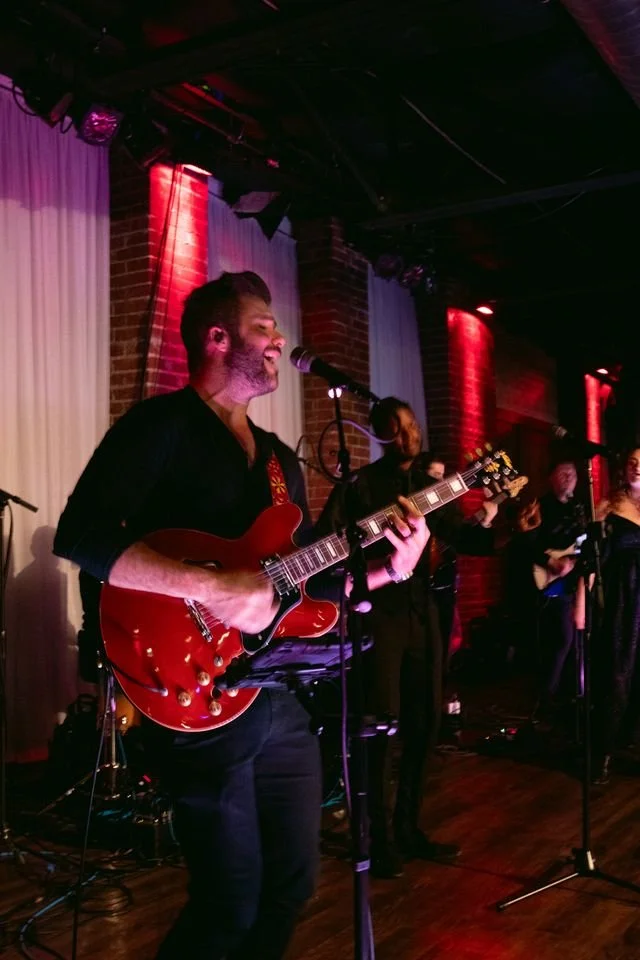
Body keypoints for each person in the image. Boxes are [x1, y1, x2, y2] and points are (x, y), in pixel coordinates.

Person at [53, 272, 427, 959]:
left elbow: (299, 592)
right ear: (218, 337)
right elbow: (80, 537)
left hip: (279, 697)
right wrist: (219, 590)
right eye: (265, 327)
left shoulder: (282, 463)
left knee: (290, 885)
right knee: (227, 901)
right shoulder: (160, 426)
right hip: (195, 693)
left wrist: (385, 567)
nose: (280, 339)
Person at [316, 397, 497, 879]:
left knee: (424, 726)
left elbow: (465, 539)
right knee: (379, 728)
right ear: (378, 434)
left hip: (424, 616)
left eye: (411, 426)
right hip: (379, 618)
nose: (407, 435)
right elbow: (324, 554)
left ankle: (409, 827)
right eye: (396, 428)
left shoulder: (428, 488)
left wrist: (496, 516)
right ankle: (374, 837)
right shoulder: (359, 487)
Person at [513, 460, 586, 721]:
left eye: (572, 474)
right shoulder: (539, 506)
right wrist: (550, 562)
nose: (568, 478)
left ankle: (567, 699)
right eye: (563, 473)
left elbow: (583, 547)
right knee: (561, 640)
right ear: (551, 478)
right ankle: (544, 699)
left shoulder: (579, 511)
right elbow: (524, 543)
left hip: (573, 584)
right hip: (548, 582)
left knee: (575, 643)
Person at [592, 447, 640, 783]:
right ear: (624, 468)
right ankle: (603, 754)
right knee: (617, 672)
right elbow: (592, 557)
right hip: (625, 598)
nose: (638, 468)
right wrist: (582, 598)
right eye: (633, 462)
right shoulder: (608, 505)